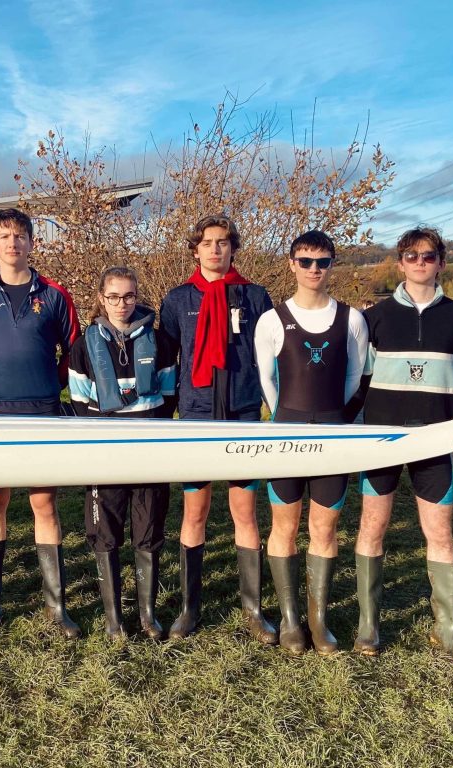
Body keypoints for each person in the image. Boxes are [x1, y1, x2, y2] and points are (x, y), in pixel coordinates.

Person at [0, 208, 82, 639]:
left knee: (44, 504)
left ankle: (56, 608)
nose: (13, 243)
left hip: (43, 411)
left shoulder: (55, 294)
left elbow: (74, 351)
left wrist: (52, 383)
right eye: (5, 236)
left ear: (31, 243)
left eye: (20, 236)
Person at [354, 226, 453, 663]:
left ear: (441, 262)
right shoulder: (374, 318)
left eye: (428, 256)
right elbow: (361, 380)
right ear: (400, 262)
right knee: (372, 527)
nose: (420, 262)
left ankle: (447, 629)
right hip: (382, 439)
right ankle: (368, 625)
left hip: (434, 440)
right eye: (411, 256)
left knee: (440, 532)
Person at [158, 214, 276, 642]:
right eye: (207, 242)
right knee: (195, 511)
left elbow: (270, 357)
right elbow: (168, 360)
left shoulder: (255, 296)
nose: (215, 249)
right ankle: (190, 608)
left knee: (244, 511)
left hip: (242, 413)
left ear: (233, 248)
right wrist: (165, 413)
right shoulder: (178, 300)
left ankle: (253, 609)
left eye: (223, 242)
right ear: (195, 249)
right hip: (196, 415)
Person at [254, 230, 368, 654]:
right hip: (286, 434)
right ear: (292, 264)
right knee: (284, 526)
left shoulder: (352, 320)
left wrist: (331, 419)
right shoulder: (271, 319)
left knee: (324, 527)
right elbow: (267, 380)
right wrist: (287, 419)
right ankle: (289, 620)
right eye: (305, 261)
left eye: (322, 262)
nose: (314, 269)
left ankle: (318, 621)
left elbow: (355, 376)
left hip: (333, 434)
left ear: (331, 265)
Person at [68, 266, 178, 639]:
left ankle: (147, 615)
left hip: (149, 451)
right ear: (102, 298)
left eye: (129, 296)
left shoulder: (160, 341)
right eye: (113, 297)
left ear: (137, 296)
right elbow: (80, 401)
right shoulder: (83, 346)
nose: (121, 304)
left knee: (148, 528)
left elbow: (168, 395)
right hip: (105, 454)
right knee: (106, 532)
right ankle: (114, 617)